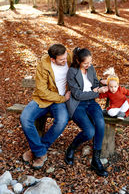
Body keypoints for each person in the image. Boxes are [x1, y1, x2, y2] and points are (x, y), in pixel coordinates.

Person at [20, 43, 72, 169]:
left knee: (62, 120)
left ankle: (38, 149)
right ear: (52, 59)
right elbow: (42, 91)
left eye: (65, 57)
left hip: (59, 103)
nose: (65, 60)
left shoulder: (69, 57)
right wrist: (61, 98)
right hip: (43, 100)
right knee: (25, 118)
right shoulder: (43, 64)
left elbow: (85, 68)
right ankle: (40, 152)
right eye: (62, 60)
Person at [65, 47, 108, 177]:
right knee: (89, 132)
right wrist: (95, 92)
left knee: (100, 124)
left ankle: (96, 160)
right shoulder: (72, 72)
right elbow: (77, 95)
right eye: (86, 63)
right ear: (78, 61)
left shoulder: (91, 68)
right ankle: (72, 147)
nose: (89, 65)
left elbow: (94, 83)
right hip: (78, 104)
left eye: (90, 62)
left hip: (91, 102)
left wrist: (102, 84)